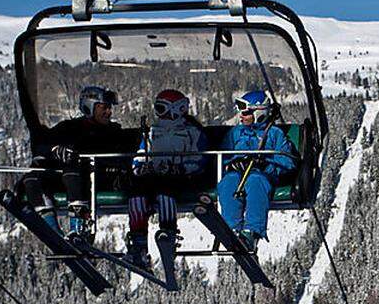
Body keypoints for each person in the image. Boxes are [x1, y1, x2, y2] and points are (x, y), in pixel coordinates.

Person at [19, 85, 124, 242]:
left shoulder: (113, 132)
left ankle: (79, 227)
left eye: (109, 108)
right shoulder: (68, 127)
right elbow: (43, 144)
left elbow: (118, 157)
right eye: (103, 107)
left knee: (72, 171)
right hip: (67, 178)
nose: (108, 112)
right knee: (33, 178)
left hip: (96, 179)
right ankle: (53, 231)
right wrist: (55, 150)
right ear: (89, 107)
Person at [125, 89, 207, 268]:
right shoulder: (152, 132)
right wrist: (140, 168)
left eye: (161, 108)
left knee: (165, 188)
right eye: (158, 108)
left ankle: (168, 231)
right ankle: (138, 243)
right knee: (137, 191)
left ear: (177, 109)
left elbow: (200, 159)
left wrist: (179, 168)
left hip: (181, 178)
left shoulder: (192, 132)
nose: (158, 113)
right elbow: (140, 155)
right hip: (154, 176)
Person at [217, 90, 297, 251]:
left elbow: (288, 161)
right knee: (228, 183)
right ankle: (232, 228)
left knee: (255, 182)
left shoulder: (274, 134)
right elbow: (222, 156)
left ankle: (251, 232)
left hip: (262, 174)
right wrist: (233, 163)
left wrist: (265, 163)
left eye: (246, 113)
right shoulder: (236, 133)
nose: (242, 116)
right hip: (238, 173)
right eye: (241, 112)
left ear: (259, 112)